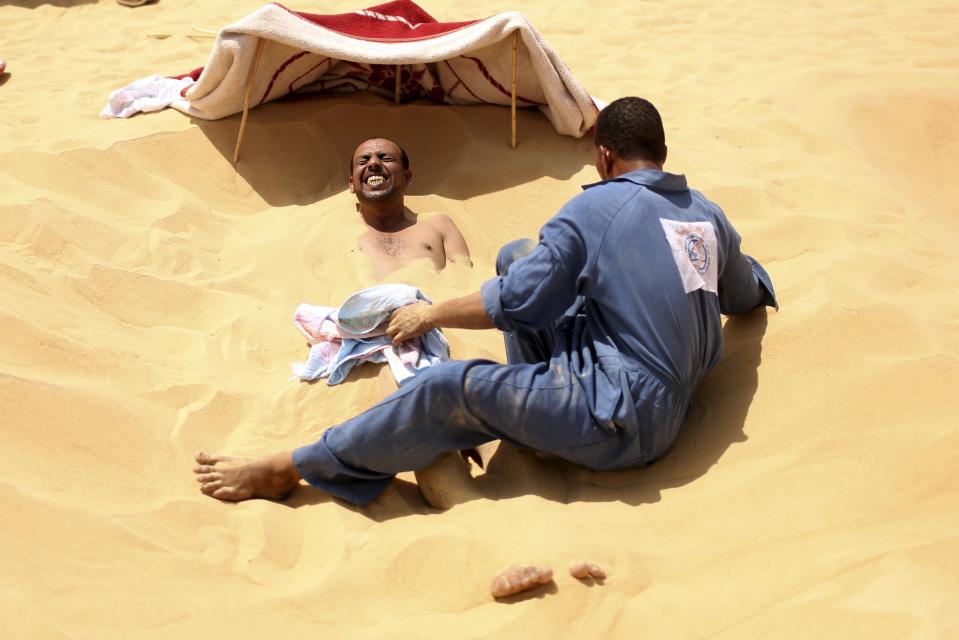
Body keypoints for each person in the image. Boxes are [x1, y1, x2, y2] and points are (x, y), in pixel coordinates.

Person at [193, 97, 777, 506]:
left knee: (451, 386)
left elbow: (519, 303)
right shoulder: (706, 214)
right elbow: (744, 293)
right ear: (663, 151)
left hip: (620, 416)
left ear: (602, 156)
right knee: (519, 253)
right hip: (647, 388)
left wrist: (431, 313)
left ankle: (295, 466)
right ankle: (529, 409)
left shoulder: (595, 208)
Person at [348, 137, 471, 277]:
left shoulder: (439, 226)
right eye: (363, 161)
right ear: (351, 184)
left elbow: (466, 279)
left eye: (386, 158)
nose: (374, 163)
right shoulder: (329, 230)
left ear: (407, 178)